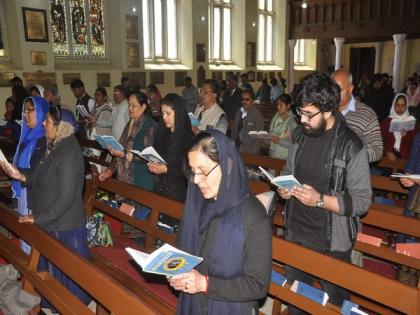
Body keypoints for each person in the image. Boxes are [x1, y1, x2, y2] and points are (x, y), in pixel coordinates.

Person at [277, 72, 371, 312]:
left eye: (309, 114)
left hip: (332, 239)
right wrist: (285, 190)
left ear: (328, 110)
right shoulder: (300, 134)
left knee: (335, 304)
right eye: (301, 112)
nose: (303, 120)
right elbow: (289, 171)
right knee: (298, 300)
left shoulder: (351, 145)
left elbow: (361, 202)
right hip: (296, 230)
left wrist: (319, 200)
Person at [169, 130, 272, 315]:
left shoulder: (252, 213)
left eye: (203, 171)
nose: (197, 180)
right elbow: (182, 252)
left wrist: (204, 284)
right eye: (193, 172)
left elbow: (257, 285)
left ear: (228, 165)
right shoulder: (196, 205)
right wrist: (173, 271)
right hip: (192, 305)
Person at [1, 106, 90, 307]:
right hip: (52, 220)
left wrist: (38, 218)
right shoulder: (54, 146)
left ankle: (70, 306)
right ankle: (52, 302)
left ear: (61, 127)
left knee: (68, 277)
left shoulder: (68, 152)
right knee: (53, 270)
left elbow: (66, 198)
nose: (43, 124)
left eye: (47, 122)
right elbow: (40, 174)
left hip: (64, 225)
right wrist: (20, 175)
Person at [10, 97, 49, 254]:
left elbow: (41, 174)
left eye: (29, 110)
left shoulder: (45, 141)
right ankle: (26, 263)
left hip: (34, 196)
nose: (25, 114)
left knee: (31, 238)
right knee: (24, 234)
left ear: (40, 113)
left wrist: (19, 173)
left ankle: (31, 268)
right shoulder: (26, 138)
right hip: (23, 191)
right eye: (24, 111)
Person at [99, 91, 157, 191]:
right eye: (129, 105)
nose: (129, 108)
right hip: (126, 179)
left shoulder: (150, 126)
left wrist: (124, 155)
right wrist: (109, 171)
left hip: (142, 181)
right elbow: (120, 149)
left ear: (143, 107)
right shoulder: (130, 123)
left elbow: (147, 157)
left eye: (133, 106)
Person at [148, 93, 193, 202]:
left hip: (178, 192)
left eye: (168, 113)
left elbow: (190, 170)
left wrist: (166, 169)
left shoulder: (188, 138)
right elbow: (156, 153)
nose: (164, 117)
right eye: (162, 113)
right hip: (160, 188)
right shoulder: (162, 133)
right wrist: (152, 164)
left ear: (178, 114)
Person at [332, 69, 383, 163]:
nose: (335, 94)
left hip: (352, 174)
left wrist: (351, 155)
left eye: (339, 90)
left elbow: (377, 150)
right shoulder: (324, 110)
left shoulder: (366, 114)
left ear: (350, 89)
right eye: (332, 90)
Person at [380, 93, 417, 160]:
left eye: (403, 105)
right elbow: (378, 141)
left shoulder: (411, 122)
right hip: (387, 159)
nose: (400, 108)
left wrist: (407, 135)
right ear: (393, 105)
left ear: (407, 106)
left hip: (405, 161)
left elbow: (416, 144)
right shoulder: (386, 122)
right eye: (397, 105)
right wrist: (386, 152)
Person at [230, 90, 265, 155]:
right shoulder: (238, 113)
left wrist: (253, 154)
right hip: (236, 149)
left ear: (253, 101)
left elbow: (259, 138)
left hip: (249, 151)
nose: (244, 101)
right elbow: (234, 131)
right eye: (242, 99)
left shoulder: (257, 115)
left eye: (247, 99)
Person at [268, 94, 297, 160]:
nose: (278, 107)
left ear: (288, 105)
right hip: (272, 154)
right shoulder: (275, 117)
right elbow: (271, 135)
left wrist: (278, 140)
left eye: (281, 105)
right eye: (277, 104)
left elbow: (293, 144)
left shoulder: (293, 121)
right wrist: (264, 139)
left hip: (284, 157)